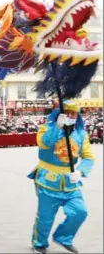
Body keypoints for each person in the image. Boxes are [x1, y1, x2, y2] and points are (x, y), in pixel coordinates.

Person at [29, 100, 95, 254]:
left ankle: (63, 237)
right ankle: (39, 243)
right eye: (68, 113)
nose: (71, 116)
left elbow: (88, 157)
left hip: (71, 181)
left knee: (80, 211)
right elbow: (45, 144)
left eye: (74, 113)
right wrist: (57, 127)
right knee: (46, 216)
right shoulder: (45, 128)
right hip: (47, 179)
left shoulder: (81, 134)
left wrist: (81, 172)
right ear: (59, 114)